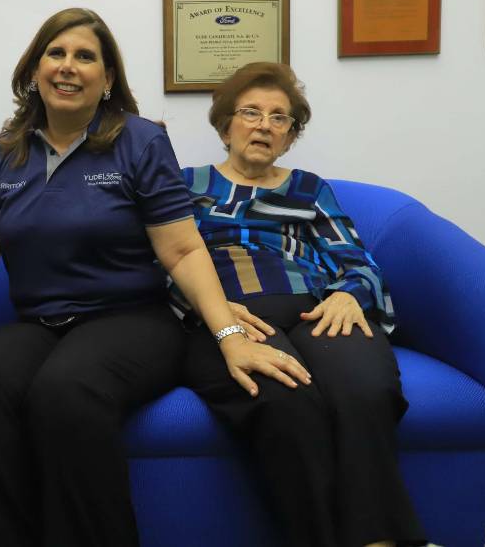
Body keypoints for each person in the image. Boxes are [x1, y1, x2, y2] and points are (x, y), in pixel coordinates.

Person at [0, 9, 299, 547]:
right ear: (34, 70)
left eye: (85, 56)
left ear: (108, 78)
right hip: (42, 322)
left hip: (133, 320)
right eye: (56, 53)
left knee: (67, 389)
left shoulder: (140, 141)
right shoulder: (4, 152)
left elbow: (183, 249)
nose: (68, 66)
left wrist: (229, 337)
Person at [175, 62, 426, 547]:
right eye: (251, 113)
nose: (264, 125)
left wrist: (349, 294)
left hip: (315, 306)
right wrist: (210, 309)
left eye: (279, 118)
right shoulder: (186, 185)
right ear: (225, 126)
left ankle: (378, 540)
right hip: (232, 314)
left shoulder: (309, 189)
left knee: (366, 389)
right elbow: (164, 260)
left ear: (290, 137)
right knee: (287, 402)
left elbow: (358, 259)